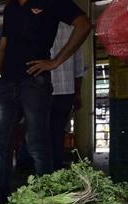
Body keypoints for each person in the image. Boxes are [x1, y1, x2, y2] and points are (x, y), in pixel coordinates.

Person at [0, 0, 90, 204]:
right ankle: (2, 199)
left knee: (37, 144)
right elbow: (3, 46)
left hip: (34, 83)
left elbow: (84, 24)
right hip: (6, 83)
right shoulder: (11, 8)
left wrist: (55, 62)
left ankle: (47, 199)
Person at [50, 22, 84, 172]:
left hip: (42, 92)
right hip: (66, 91)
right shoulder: (73, 31)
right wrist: (78, 94)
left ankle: (45, 170)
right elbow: (79, 67)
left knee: (42, 134)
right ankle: (56, 169)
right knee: (57, 133)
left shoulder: (39, 26)